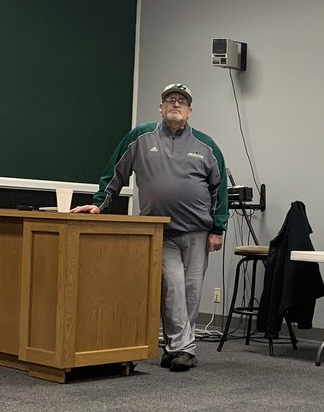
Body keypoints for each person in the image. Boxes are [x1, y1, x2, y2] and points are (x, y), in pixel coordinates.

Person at [72, 83, 227, 372]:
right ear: (161, 107)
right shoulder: (140, 137)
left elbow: (220, 190)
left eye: (182, 101)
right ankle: (184, 348)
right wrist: (99, 204)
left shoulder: (206, 146)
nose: (176, 104)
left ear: (190, 111)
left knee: (192, 292)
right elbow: (115, 172)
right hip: (161, 232)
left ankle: (175, 347)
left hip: (197, 232)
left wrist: (218, 229)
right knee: (173, 288)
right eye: (170, 100)